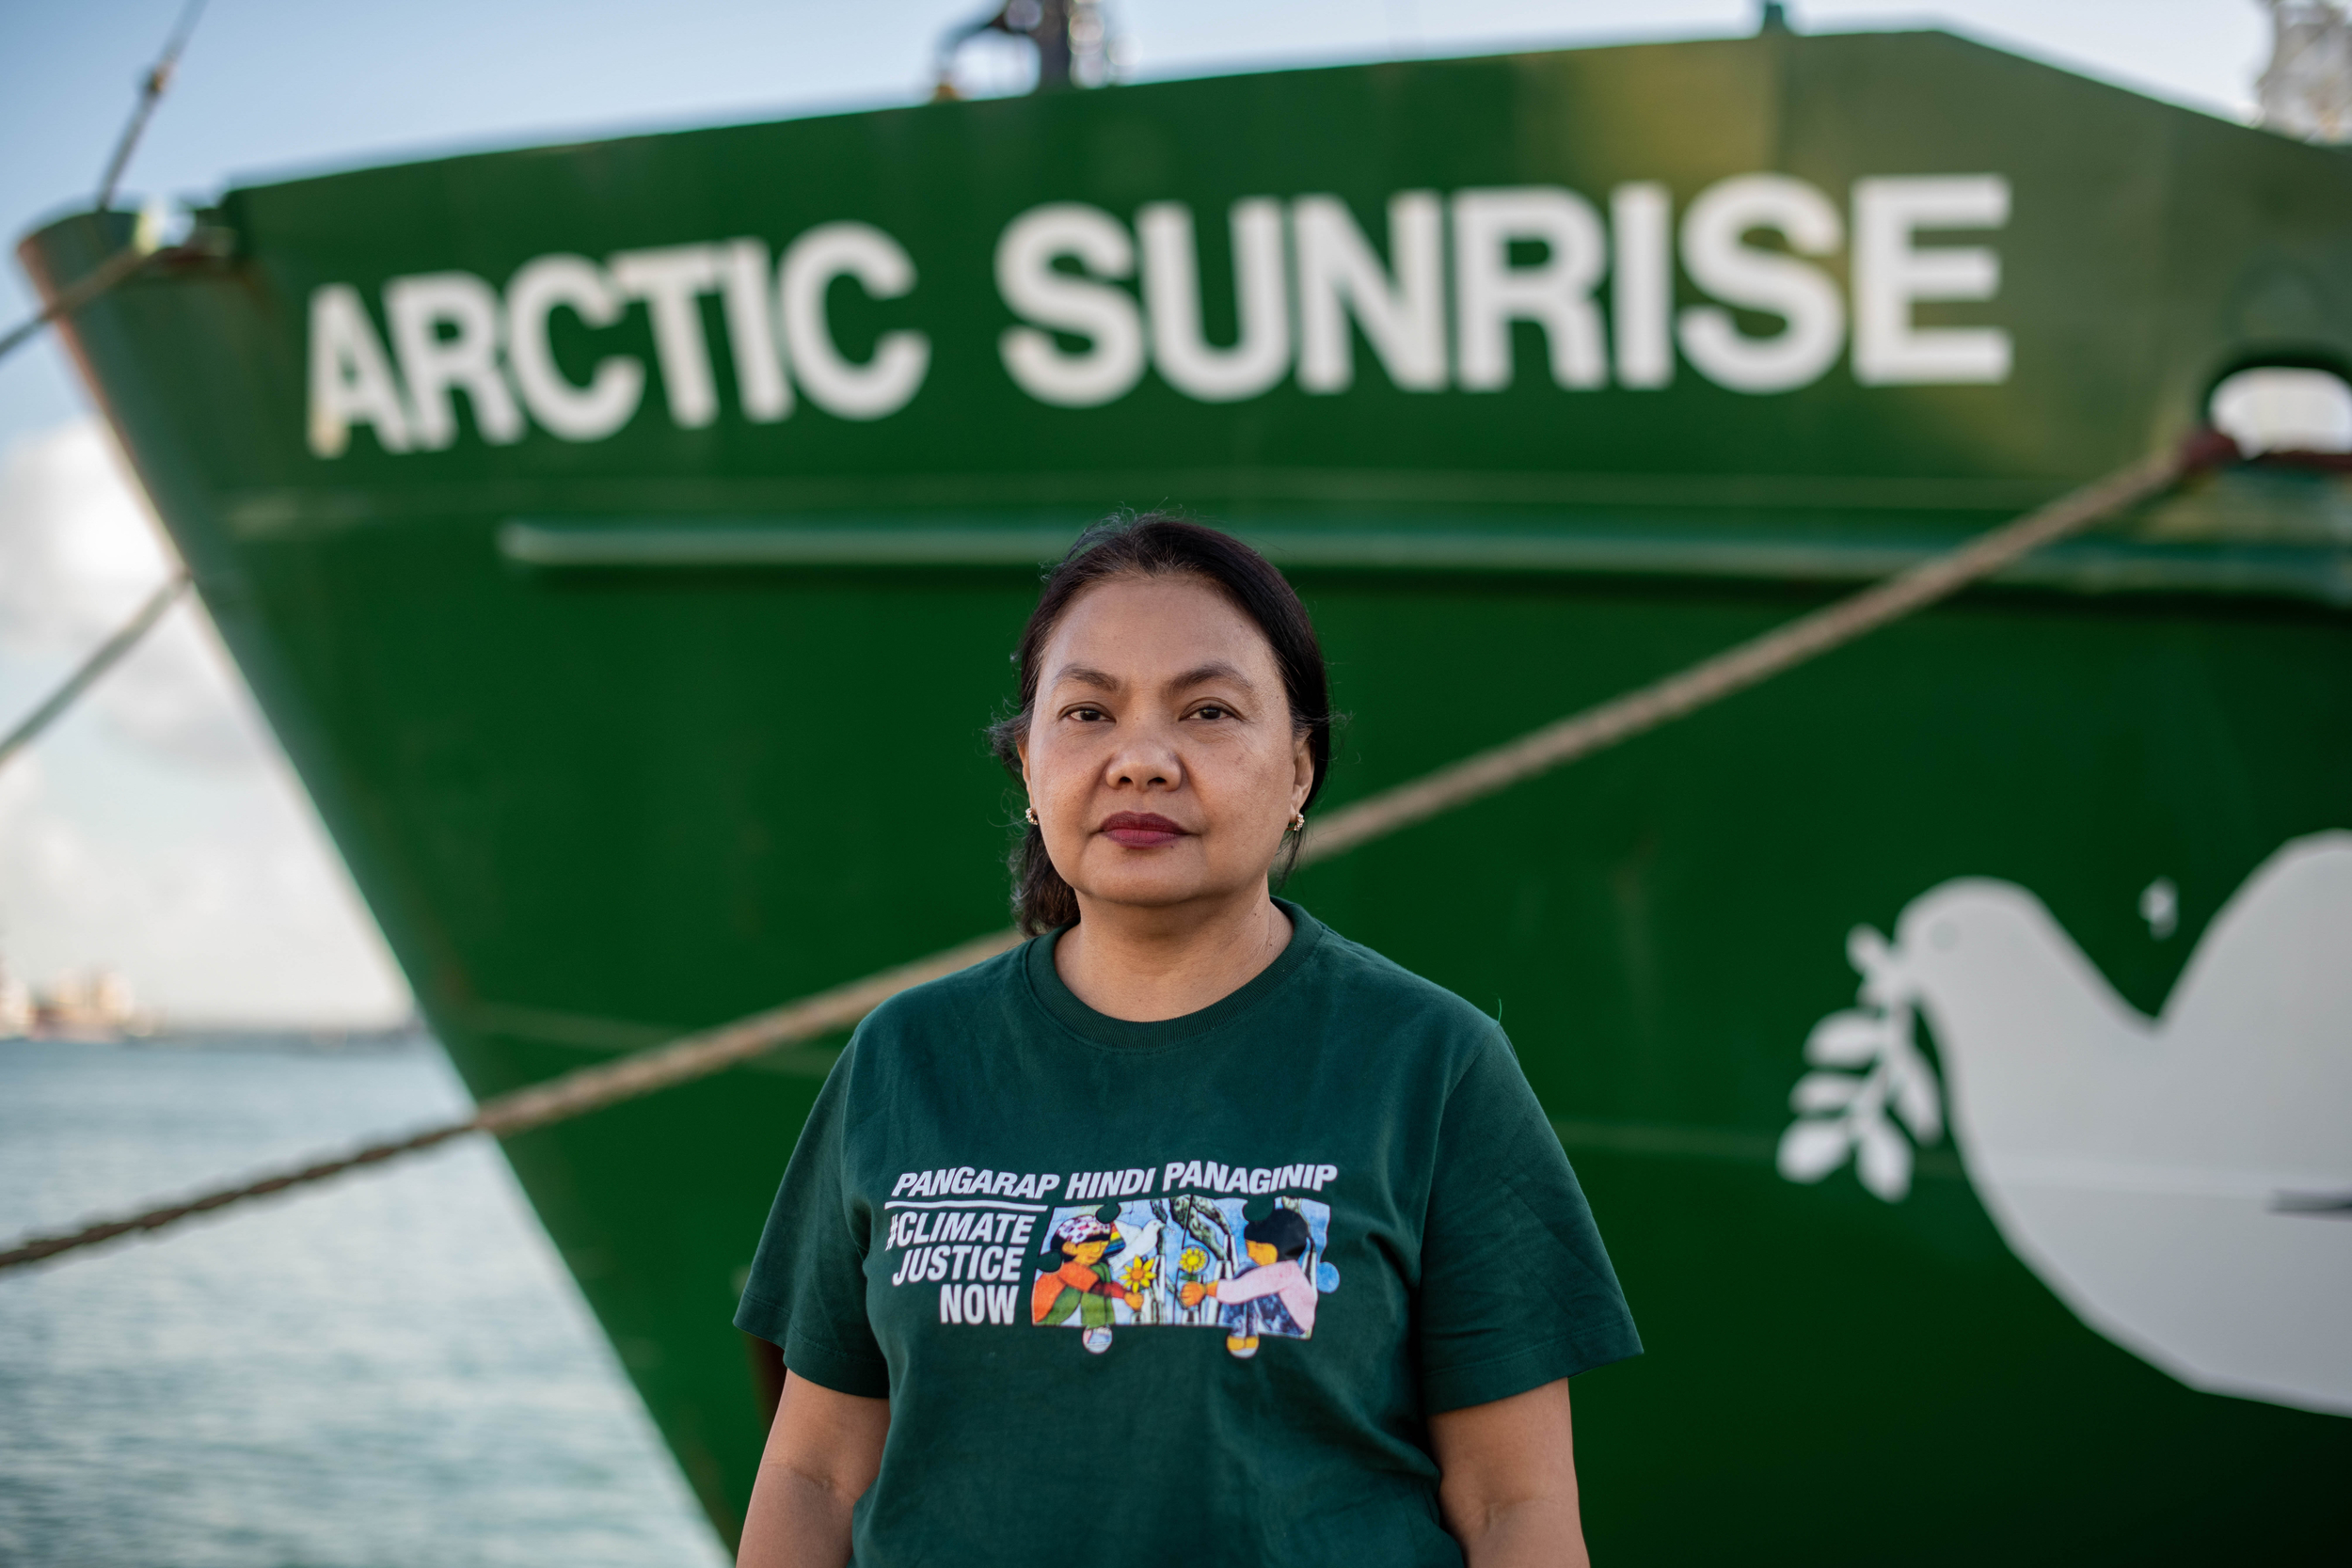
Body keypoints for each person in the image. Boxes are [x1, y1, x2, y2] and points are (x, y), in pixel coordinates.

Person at [734, 515, 1639, 1568]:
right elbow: (816, 1471)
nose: (1142, 761)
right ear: (1028, 763)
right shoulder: (904, 1058)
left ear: (1298, 768)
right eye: (1088, 712)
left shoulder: (1430, 1065)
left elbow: (1511, 1504)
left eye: (1207, 710)